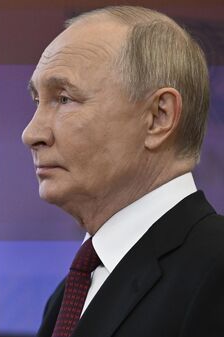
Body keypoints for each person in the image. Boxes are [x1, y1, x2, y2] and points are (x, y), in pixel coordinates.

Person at [22, 5, 224, 337]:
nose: (31, 134)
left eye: (64, 98)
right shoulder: (66, 297)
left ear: (158, 117)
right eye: (36, 101)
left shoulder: (216, 269)